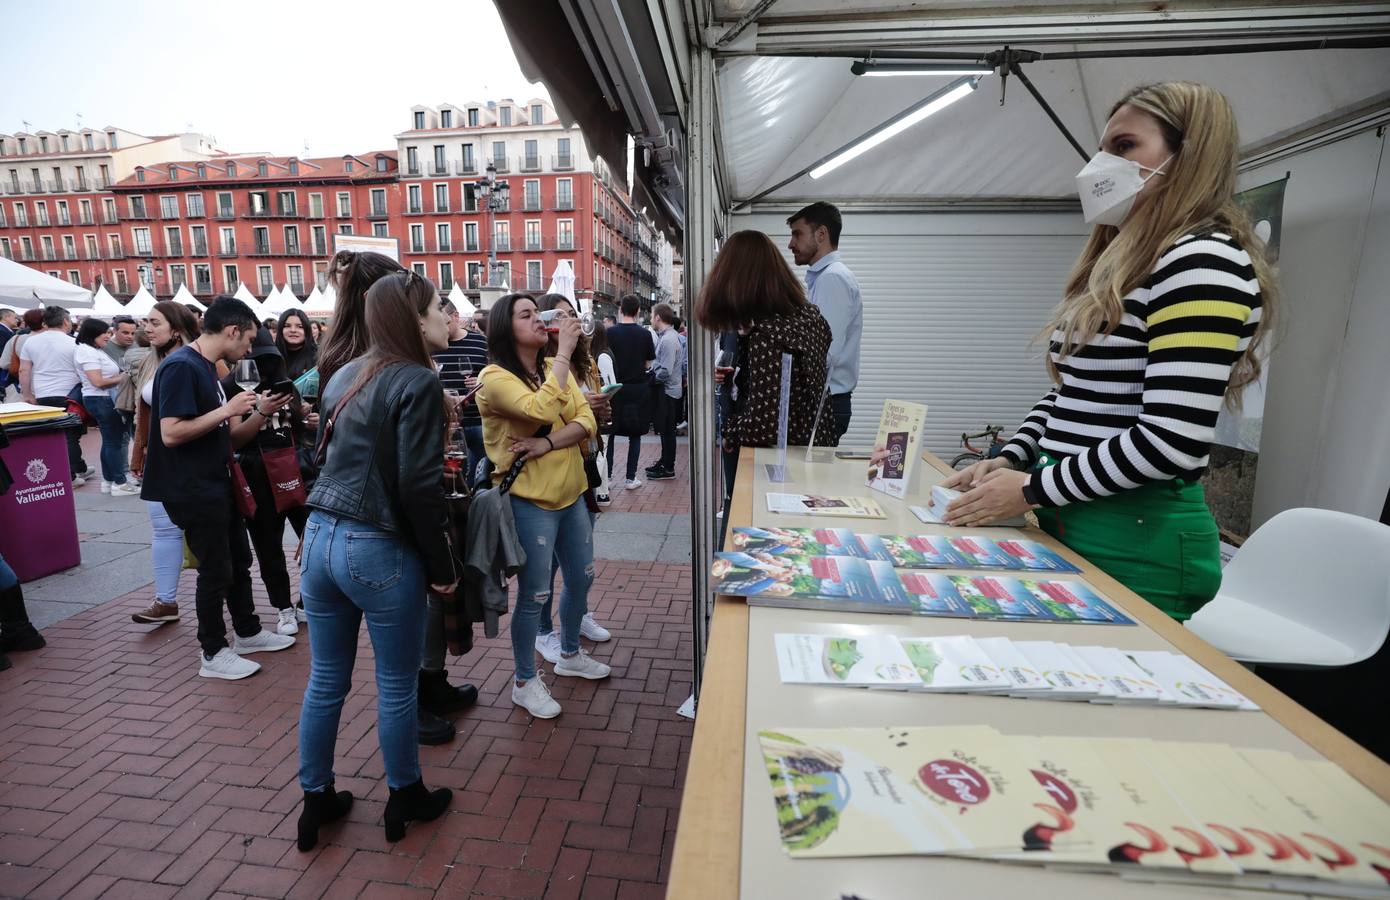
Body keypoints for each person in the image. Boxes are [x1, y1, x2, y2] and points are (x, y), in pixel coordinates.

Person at [942, 81, 1275, 624]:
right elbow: (1074, 397)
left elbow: (1169, 439)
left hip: (1134, 537)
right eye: (1102, 148)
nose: (1102, 163)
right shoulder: (1129, 264)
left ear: (1187, 155)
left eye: (1124, 146)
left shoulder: (1201, 262)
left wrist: (1030, 488)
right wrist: (1012, 457)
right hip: (1077, 515)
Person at [296, 270, 457, 850]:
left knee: (326, 680)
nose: (447, 316)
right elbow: (419, 488)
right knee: (395, 685)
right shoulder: (415, 379)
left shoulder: (344, 373)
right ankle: (404, 795)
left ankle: (316, 800)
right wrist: (442, 567)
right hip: (377, 546)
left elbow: (326, 455)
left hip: (319, 538)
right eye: (439, 307)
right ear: (413, 319)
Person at [141, 296, 296, 679]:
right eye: (248, 340)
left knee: (237, 561)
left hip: (217, 481)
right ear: (232, 331)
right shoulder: (182, 367)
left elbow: (228, 439)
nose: (249, 348)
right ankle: (212, 652)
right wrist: (227, 410)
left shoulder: (206, 368)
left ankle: (247, 632)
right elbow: (171, 432)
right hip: (191, 488)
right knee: (215, 570)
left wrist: (261, 413)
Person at [478, 292, 610, 720]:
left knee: (582, 577)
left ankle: (569, 653)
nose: (541, 319)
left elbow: (587, 421)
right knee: (534, 594)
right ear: (505, 327)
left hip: (571, 496)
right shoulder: (494, 377)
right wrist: (564, 355)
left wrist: (547, 442)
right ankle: (523, 681)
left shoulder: (552, 371)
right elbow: (538, 408)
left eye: (539, 312)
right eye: (527, 314)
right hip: (529, 502)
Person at [531, 293, 614, 661]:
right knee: (547, 562)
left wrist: (601, 409)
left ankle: (576, 614)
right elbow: (544, 416)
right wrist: (584, 414)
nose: (571, 321)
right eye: (560, 315)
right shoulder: (541, 367)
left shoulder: (588, 362)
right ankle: (542, 631)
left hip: (587, 463)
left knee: (581, 559)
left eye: (573, 314)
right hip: (553, 472)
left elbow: (597, 423)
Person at [221, 328, 311, 637]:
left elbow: (293, 426)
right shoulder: (233, 386)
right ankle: (283, 608)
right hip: (257, 475)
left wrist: (302, 417)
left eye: (268, 359)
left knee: (312, 542)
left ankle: (304, 603)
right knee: (269, 547)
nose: (263, 365)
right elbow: (234, 439)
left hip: (292, 471)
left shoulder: (283, 385)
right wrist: (261, 412)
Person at [129, 301, 201, 625]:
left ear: (176, 327)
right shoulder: (151, 361)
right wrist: (139, 454)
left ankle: (230, 604)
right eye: (146, 321)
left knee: (208, 535)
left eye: (155, 322)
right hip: (159, 459)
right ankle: (166, 601)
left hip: (192, 459)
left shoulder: (198, 360)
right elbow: (141, 417)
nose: (148, 327)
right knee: (162, 529)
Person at [787, 201, 861, 441]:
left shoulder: (832, 279)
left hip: (824, 404)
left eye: (797, 234)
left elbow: (823, 352)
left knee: (809, 478)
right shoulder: (826, 278)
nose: (790, 244)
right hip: (825, 402)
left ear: (821, 234)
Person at [19, 306, 92, 484]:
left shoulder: (31, 342)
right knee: (71, 435)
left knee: (52, 435)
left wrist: (27, 394)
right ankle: (72, 474)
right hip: (70, 393)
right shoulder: (74, 342)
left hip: (43, 393)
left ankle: (76, 468)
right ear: (65, 321)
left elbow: (24, 369)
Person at [316, 250, 406, 392]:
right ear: (373, 297)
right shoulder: (345, 359)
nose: (406, 302)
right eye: (399, 292)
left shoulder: (386, 345)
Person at [73, 317, 139, 496]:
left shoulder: (92, 350)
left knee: (111, 442)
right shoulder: (87, 352)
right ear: (93, 333)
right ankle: (119, 482)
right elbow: (98, 381)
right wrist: (125, 376)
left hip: (101, 399)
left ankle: (109, 480)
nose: (107, 336)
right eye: (105, 333)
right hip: (101, 399)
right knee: (114, 442)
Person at [432, 300, 488, 480]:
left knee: (483, 472)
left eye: (446, 323)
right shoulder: (433, 346)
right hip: (451, 423)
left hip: (479, 419)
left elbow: (495, 374)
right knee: (457, 475)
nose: (444, 328)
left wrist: (481, 381)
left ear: (455, 317)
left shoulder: (481, 342)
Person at [606, 294, 654, 490]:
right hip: (637, 388)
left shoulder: (610, 333)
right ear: (637, 312)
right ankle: (630, 478)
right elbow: (649, 362)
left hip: (615, 388)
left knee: (609, 433)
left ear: (620, 310)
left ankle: (607, 477)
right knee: (635, 433)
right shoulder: (645, 334)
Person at [645, 303, 681, 480]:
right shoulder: (668, 336)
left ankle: (668, 467)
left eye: (652, 316)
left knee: (667, 431)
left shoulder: (667, 339)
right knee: (666, 431)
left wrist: (651, 378)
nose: (651, 319)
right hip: (669, 391)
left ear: (658, 317)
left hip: (667, 392)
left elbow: (665, 371)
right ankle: (665, 461)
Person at [275, 308, 318, 381]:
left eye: (300, 327)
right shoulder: (271, 356)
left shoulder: (318, 356)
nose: (293, 330)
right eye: (287, 326)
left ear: (307, 330)